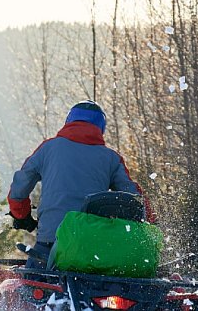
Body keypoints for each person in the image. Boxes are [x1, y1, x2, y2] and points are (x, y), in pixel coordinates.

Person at [8, 100, 155, 269]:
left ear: (69, 121)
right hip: (93, 249)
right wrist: (151, 226)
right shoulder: (111, 159)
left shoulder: (48, 148)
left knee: (31, 288)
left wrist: (22, 216)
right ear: (101, 127)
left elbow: (19, 188)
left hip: (49, 245)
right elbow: (136, 200)